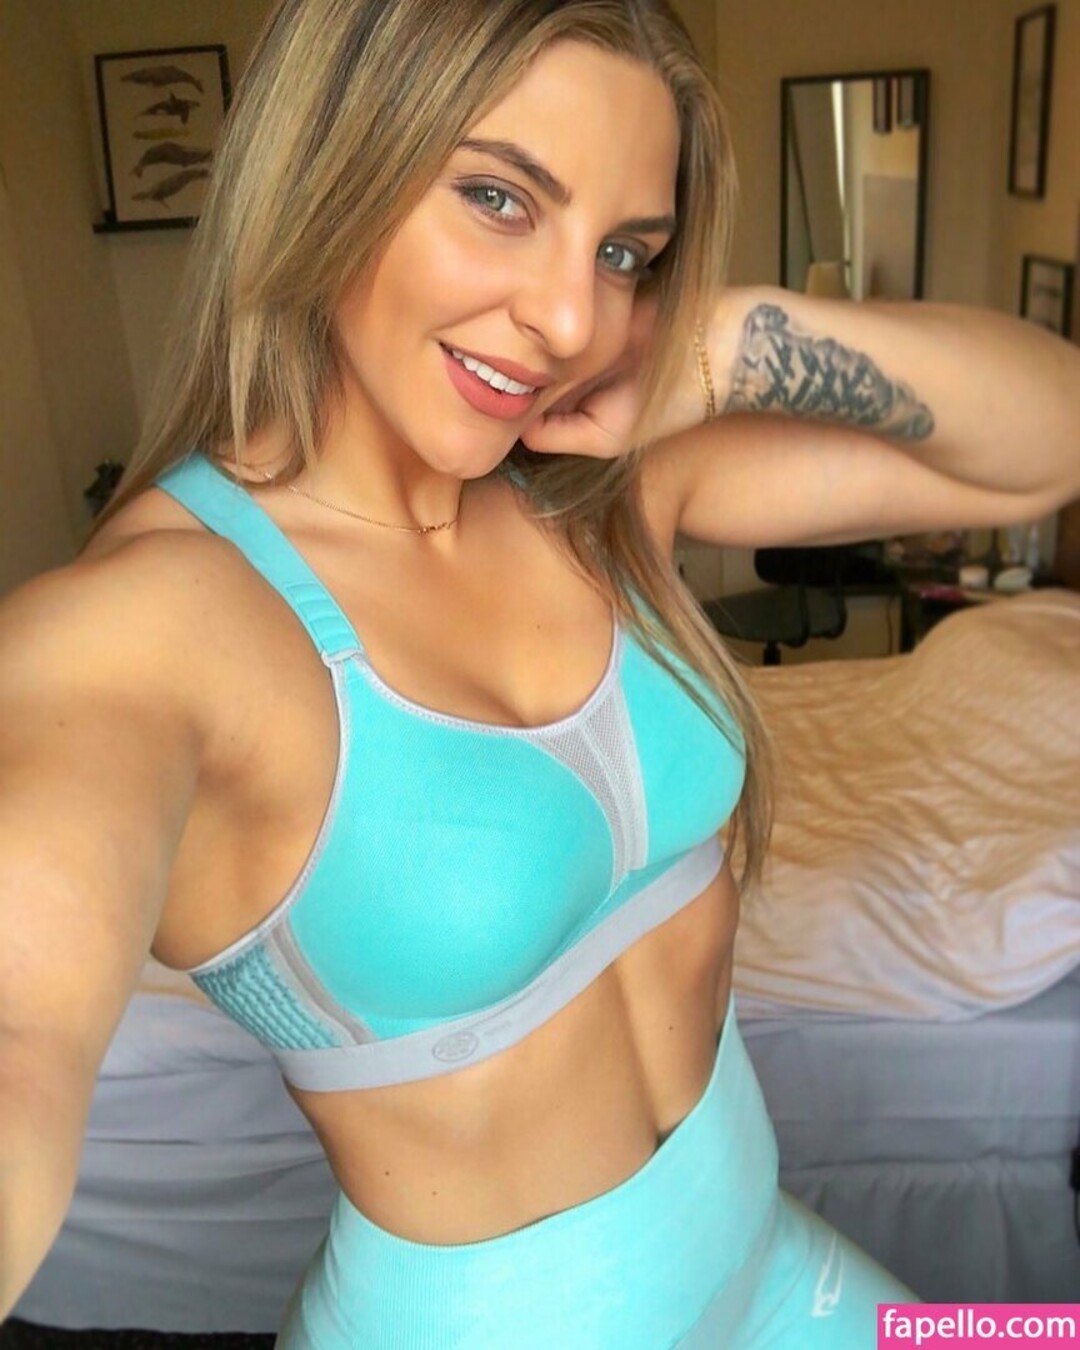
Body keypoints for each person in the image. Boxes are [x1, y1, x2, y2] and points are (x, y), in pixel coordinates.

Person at [2, 0, 1077, 1345]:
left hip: (771, 1270)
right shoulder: (156, 623)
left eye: (626, 251)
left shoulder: (600, 494)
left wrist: (719, 339)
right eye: (501, 198)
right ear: (334, 160)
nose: (572, 318)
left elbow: (1048, 442)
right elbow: (20, 1035)